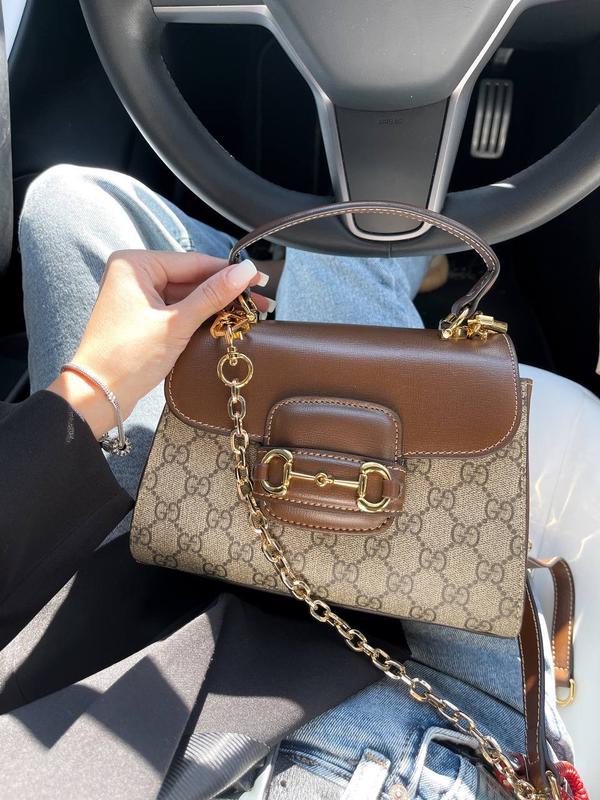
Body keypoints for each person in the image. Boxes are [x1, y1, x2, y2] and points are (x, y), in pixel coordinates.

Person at [0, 165, 572, 799]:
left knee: (67, 204)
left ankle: (259, 291)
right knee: (343, 247)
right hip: (427, 708)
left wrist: (90, 389)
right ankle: (308, 272)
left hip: (118, 620)